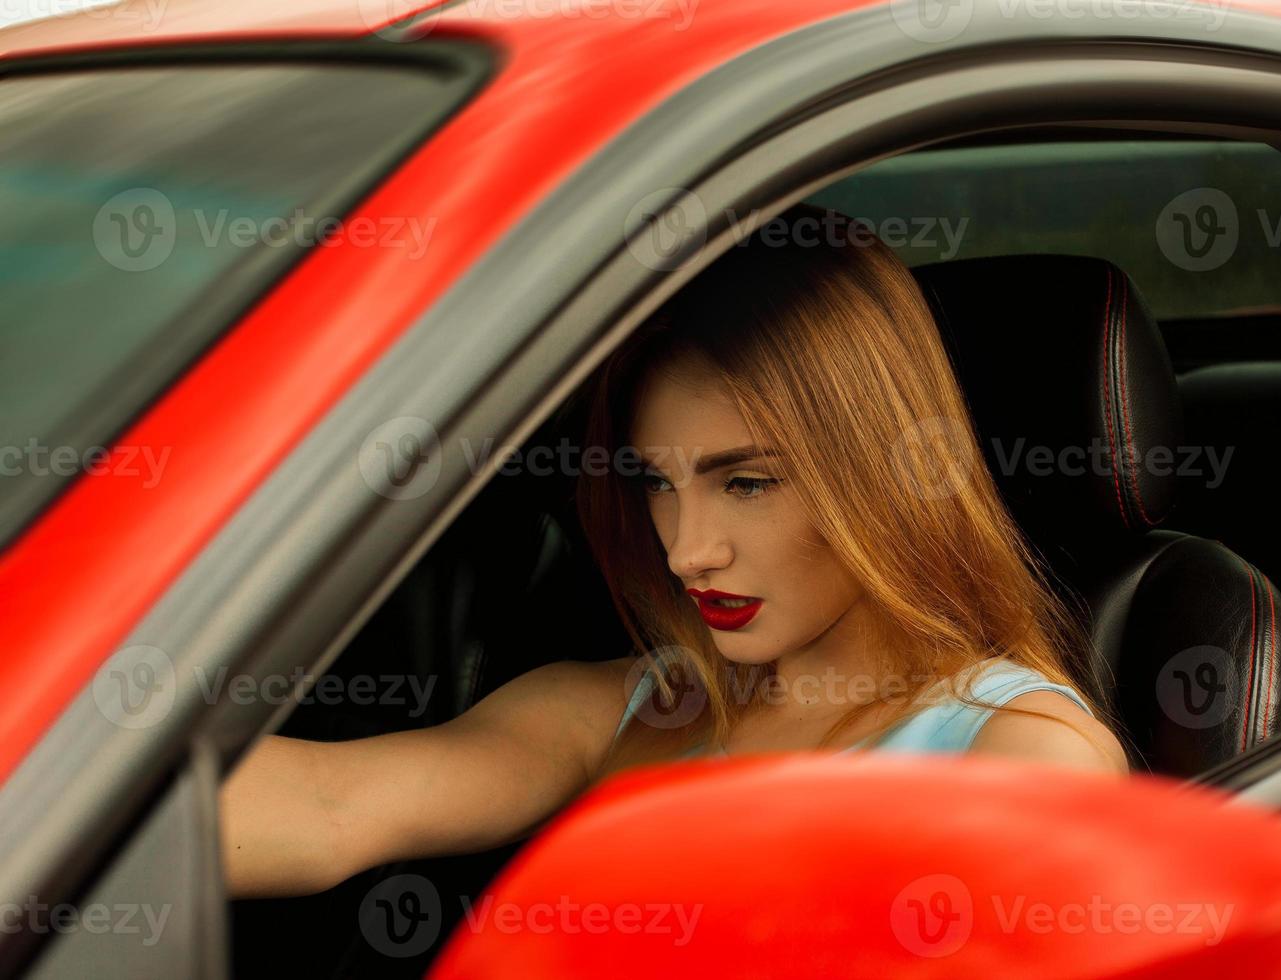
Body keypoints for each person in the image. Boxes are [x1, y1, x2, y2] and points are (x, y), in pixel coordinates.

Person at [219, 204, 1128, 900]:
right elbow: (329, 808)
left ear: (880, 476)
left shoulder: (1022, 760)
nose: (687, 551)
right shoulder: (626, 706)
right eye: (658, 482)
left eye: (747, 483)